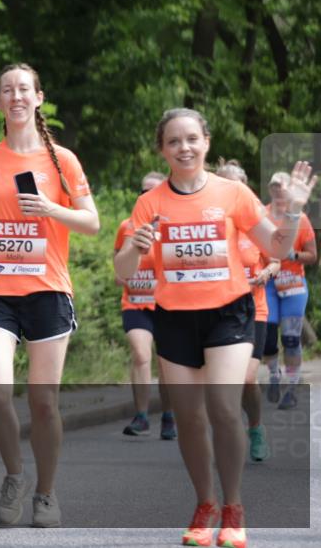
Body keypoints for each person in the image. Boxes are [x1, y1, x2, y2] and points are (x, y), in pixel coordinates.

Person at [114, 108, 316, 548]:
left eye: (191, 139)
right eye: (173, 141)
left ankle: (234, 507)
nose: (183, 148)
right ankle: (205, 504)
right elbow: (124, 272)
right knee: (189, 418)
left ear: (206, 141)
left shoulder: (233, 193)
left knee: (224, 407)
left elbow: (276, 247)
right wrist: (134, 247)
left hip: (229, 312)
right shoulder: (150, 203)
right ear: (162, 149)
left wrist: (295, 209)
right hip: (174, 317)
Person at [0, 64, 99, 528]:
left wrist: (51, 208)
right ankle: (14, 476)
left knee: (43, 401)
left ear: (38, 98)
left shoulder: (62, 160)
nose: (15, 96)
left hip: (48, 289)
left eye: (23, 89)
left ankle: (46, 493)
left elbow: (91, 222)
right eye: (7, 90)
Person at [215, 159, 278, 462]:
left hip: (255, 307)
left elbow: (276, 257)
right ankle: (228, 432)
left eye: (234, 185)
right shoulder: (210, 221)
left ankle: (255, 427)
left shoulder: (257, 219)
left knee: (247, 378)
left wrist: (267, 272)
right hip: (220, 308)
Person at [114, 171, 176, 440]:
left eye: (153, 192)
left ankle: (168, 415)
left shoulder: (174, 228)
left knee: (166, 364)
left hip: (166, 306)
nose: (146, 197)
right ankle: (141, 416)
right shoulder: (127, 227)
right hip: (135, 303)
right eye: (143, 192)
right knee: (141, 355)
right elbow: (119, 269)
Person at [260, 171, 316, 410]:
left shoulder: (300, 219)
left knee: (291, 338)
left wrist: (292, 255)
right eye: (273, 186)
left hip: (293, 283)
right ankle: (274, 376)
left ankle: (291, 388)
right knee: (268, 339)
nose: (277, 190)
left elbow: (313, 256)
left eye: (281, 186)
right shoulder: (261, 214)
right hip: (269, 283)